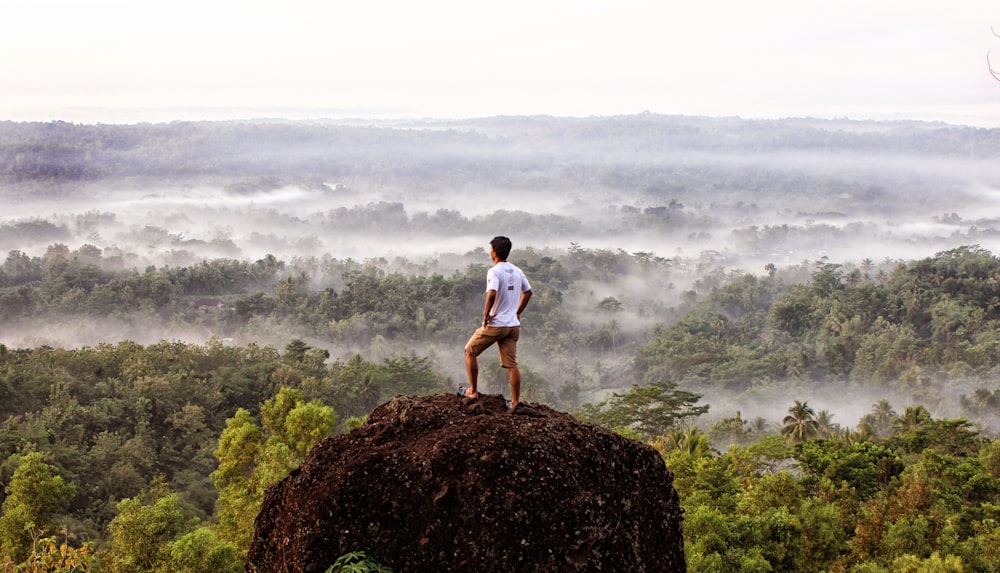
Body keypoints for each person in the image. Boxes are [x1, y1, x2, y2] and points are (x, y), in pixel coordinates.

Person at [460, 236, 533, 412]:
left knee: (470, 351)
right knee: (512, 364)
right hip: (513, 326)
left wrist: (486, 315)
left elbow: (491, 294)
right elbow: (528, 292)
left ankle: (473, 391)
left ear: (494, 251)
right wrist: (517, 312)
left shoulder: (494, 271)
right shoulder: (517, 271)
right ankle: (515, 403)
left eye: (491, 248)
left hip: (496, 324)